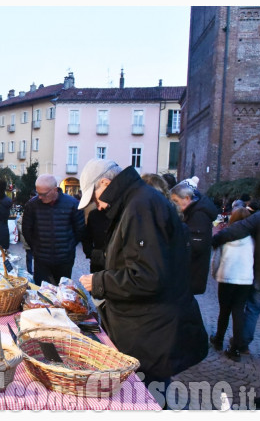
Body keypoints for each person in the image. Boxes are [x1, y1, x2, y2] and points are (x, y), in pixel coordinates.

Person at [77, 158, 208, 395]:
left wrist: (99, 281)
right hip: (150, 327)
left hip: (152, 331)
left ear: (105, 183)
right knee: (152, 390)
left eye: (95, 198)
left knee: (148, 394)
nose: (98, 206)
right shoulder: (138, 201)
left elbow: (147, 277)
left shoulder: (140, 206)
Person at [211, 185, 260, 358]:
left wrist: (214, 240)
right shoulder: (256, 230)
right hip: (250, 278)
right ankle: (238, 346)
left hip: (252, 276)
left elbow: (234, 232)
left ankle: (234, 343)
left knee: (247, 310)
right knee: (241, 310)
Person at [22, 174, 84, 286]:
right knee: (42, 293)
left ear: (55, 190)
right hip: (41, 260)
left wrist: (68, 247)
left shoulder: (72, 204)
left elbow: (79, 230)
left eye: (43, 194)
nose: (39, 197)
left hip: (65, 260)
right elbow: (27, 230)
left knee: (62, 292)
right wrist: (36, 248)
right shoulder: (32, 205)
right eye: (38, 193)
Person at [209, 207, 254, 361]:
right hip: (245, 278)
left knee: (224, 310)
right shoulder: (252, 238)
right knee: (238, 311)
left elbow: (216, 259)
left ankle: (219, 339)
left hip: (227, 277)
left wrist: (215, 274)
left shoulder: (225, 237)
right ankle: (236, 348)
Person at [169, 176, 219, 295]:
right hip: (190, 273)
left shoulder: (198, 215)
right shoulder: (193, 212)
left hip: (191, 273)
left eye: (176, 201)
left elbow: (196, 245)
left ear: (187, 198)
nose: (175, 205)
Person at [16, 192, 36, 274]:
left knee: (37, 257)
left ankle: (36, 271)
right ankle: (30, 271)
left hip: (37, 240)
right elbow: (19, 222)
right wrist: (23, 231)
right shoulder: (26, 212)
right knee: (29, 256)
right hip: (28, 239)